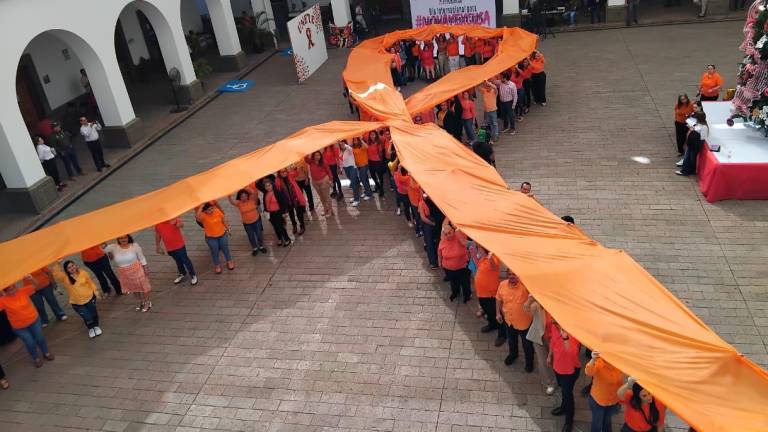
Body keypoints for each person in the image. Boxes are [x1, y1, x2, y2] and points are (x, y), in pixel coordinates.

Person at [0, 282, 54, 367]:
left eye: (14, 287)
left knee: (40, 338)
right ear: (5, 292)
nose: (13, 290)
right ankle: (36, 358)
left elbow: (37, 286)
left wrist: (32, 279)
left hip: (34, 321)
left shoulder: (23, 291)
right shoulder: (3, 300)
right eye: (10, 290)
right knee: (30, 342)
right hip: (19, 327)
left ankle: (46, 352)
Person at [52, 260, 103, 338]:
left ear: (75, 265)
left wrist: (96, 292)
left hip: (89, 298)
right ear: (66, 270)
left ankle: (96, 326)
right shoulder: (64, 277)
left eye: (72, 265)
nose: (72, 268)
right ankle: (90, 328)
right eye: (69, 267)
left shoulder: (83, 273)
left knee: (93, 314)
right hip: (77, 303)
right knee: (87, 317)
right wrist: (57, 263)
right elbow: (55, 273)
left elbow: (90, 283)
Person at [496, 270, 534, 370]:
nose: (512, 276)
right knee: (511, 341)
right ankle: (513, 355)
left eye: (514, 274)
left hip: (524, 324)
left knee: (527, 345)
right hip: (509, 321)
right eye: (509, 274)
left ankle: (529, 362)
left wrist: (529, 301)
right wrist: (498, 313)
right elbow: (498, 299)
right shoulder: (502, 284)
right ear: (506, 275)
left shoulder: (526, 286)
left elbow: (534, 296)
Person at [548, 320, 581, 432]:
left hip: (570, 370)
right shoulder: (554, 327)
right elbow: (552, 341)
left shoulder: (573, 333)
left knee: (568, 395)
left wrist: (565, 338)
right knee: (563, 390)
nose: (553, 322)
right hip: (558, 367)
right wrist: (549, 355)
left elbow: (572, 353)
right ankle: (563, 407)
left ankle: (569, 421)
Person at [106, 235, 153, 312]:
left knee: (144, 286)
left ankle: (147, 302)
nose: (123, 239)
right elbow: (103, 248)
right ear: (118, 239)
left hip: (137, 269)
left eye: (125, 237)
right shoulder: (113, 247)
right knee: (134, 288)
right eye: (121, 238)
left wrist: (146, 268)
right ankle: (140, 301)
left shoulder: (134, 246)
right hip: (124, 272)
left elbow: (142, 258)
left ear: (128, 237)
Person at [524, 295, 556, 395]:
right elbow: (527, 309)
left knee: (555, 360)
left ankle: (557, 378)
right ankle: (549, 383)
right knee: (543, 361)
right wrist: (529, 300)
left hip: (555, 339)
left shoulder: (558, 306)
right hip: (540, 337)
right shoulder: (538, 305)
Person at [585, 351, 624, 432]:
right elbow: (588, 372)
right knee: (597, 424)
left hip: (613, 401)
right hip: (598, 402)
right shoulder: (599, 362)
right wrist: (592, 359)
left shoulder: (619, 363)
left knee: (607, 421)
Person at [474, 246, 505, 346]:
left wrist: (491, 258)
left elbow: (495, 267)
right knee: (487, 311)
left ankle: (502, 334)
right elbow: (478, 267)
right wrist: (473, 254)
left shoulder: (493, 258)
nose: (478, 250)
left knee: (497, 314)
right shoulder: (484, 258)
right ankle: (492, 324)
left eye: (479, 249)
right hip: (481, 293)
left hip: (491, 294)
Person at [155, 217, 199, 285]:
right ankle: (182, 273)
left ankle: (193, 275)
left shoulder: (173, 218)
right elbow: (158, 234)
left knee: (185, 260)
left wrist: (176, 223)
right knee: (178, 261)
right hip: (169, 247)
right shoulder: (157, 224)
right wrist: (157, 246)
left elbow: (181, 225)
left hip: (179, 245)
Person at [196, 202, 236, 271]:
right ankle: (217, 265)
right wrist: (201, 206)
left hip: (222, 235)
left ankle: (229, 261)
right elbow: (197, 217)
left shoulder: (217, 211)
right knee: (215, 251)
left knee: (225, 248)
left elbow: (223, 221)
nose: (211, 210)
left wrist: (228, 229)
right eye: (209, 210)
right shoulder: (203, 216)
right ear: (205, 211)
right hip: (211, 238)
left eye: (212, 208)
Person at [438, 220, 471, 302]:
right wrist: (440, 263)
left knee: (465, 283)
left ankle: (467, 295)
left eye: (449, 232)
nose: (448, 235)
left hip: (462, 266)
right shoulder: (443, 241)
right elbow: (439, 252)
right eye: (446, 234)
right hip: (449, 268)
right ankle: (455, 293)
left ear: (453, 231)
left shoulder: (460, 236)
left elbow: (466, 244)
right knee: (453, 282)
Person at [227, 188, 267, 254]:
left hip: (256, 221)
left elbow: (255, 193)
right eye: (242, 196)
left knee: (259, 235)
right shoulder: (238, 203)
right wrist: (229, 196)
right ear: (239, 197)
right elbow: (232, 202)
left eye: (245, 195)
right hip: (247, 223)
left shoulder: (252, 199)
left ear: (247, 195)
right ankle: (255, 248)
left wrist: (247, 188)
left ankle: (261, 246)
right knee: (251, 236)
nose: (244, 197)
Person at [275, 168, 307, 235]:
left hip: (295, 198)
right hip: (286, 200)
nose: (284, 173)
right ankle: (294, 225)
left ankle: (302, 226)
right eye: (282, 172)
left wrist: (294, 168)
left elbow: (296, 173)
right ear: (279, 173)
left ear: (287, 172)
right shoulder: (277, 180)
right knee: (291, 214)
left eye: (285, 172)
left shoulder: (290, 175)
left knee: (299, 213)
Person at [676, 111, 708, 176]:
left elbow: (702, 138)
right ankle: (689, 170)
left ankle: (685, 171)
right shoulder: (698, 124)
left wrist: (694, 130)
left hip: (695, 144)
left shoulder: (704, 127)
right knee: (688, 157)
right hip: (691, 143)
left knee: (689, 158)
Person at [262, 178, 292, 246]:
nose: (268, 187)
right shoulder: (265, 194)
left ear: (272, 185)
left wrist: (284, 212)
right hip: (270, 214)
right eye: (266, 186)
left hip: (278, 213)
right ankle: (279, 239)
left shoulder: (277, 192)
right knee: (275, 227)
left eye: (269, 185)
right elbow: (265, 203)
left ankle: (287, 239)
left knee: (281, 227)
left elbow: (283, 203)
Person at [307, 151, 334, 216]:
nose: (317, 157)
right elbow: (305, 158)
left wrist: (331, 180)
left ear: (320, 156)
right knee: (321, 197)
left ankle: (330, 210)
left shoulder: (323, 162)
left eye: (318, 155)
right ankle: (325, 208)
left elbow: (328, 171)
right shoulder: (311, 162)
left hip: (324, 180)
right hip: (315, 182)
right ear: (313, 156)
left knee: (326, 196)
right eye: (315, 155)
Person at [419, 194, 441, 268]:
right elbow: (423, 218)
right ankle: (433, 262)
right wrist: (433, 223)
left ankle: (437, 260)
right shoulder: (422, 203)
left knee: (435, 242)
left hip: (434, 224)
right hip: (428, 225)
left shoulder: (435, 201)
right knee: (430, 243)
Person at [339, 139, 361, 206]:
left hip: (352, 167)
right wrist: (341, 169)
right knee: (353, 182)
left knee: (353, 183)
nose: (341, 144)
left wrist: (344, 144)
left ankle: (357, 199)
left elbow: (349, 148)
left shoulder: (349, 149)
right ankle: (355, 196)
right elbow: (341, 161)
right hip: (346, 168)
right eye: (340, 144)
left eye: (343, 143)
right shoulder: (340, 151)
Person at [366, 131, 386, 196]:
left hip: (377, 162)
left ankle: (381, 189)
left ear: (376, 135)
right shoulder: (368, 142)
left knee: (380, 177)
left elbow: (380, 153)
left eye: (373, 135)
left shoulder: (378, 143)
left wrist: (381, 161)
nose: (372, 136)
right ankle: (378, 186)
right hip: (370, 161)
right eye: (371, 135)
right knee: (373, 176)